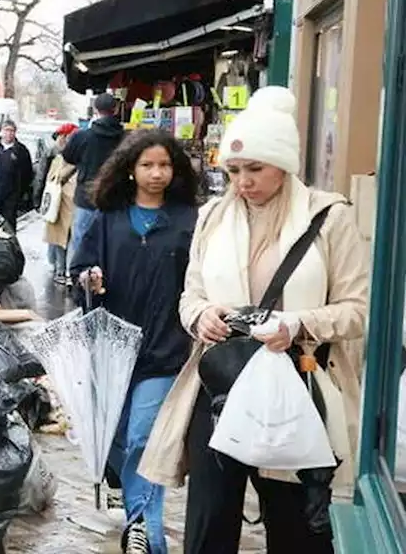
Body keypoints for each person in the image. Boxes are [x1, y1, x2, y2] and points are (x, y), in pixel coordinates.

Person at [137, 87, 368, 554]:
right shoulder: (212, 218)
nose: (243, 181)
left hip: (298, 386)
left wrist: (296, 325)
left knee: (296, 526)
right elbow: (191, 294)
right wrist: (202, 316)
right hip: (221, 384)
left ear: (284, 163)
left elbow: (357, 309)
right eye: (234, 170)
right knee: (207, 525)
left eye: (255, 168)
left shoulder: (329, 218)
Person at [71, 129, 200, 554]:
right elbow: (81, 267)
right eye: (147, 165)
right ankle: (137, 517)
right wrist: (88, 276)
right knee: (120, 437)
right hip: (113, 348)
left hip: (166, 348)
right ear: (130, 169)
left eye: (164, 165)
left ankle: (145, 532)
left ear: (175, 169)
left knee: (146, 438)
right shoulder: (107, 217)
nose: (156, 173)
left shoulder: (188, 220)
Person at [62, 92, 126, 257]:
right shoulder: (126, 138)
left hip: (86, 197)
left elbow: (68, 156)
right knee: (111, 243)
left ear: (95, 109)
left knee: (81, 240)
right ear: (116, 109)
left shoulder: (83, 136)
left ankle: (77, 277)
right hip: (115, 198)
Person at [42, 123, 79, 286]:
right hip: (61, 203)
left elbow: (48, 178)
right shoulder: (60, 157)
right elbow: (49, 177)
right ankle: (62, 270)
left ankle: (63, 270)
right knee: (62, 238)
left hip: (65, 203)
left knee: (65, 239)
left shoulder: (63, 157)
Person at [0, 119, 34, 228]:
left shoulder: (21, 150)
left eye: (11, 130)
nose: (9, 133)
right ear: (1, 131)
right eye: (6, 130)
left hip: (12, 194)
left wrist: (20, 193)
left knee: (9, 225)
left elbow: (27, 173)